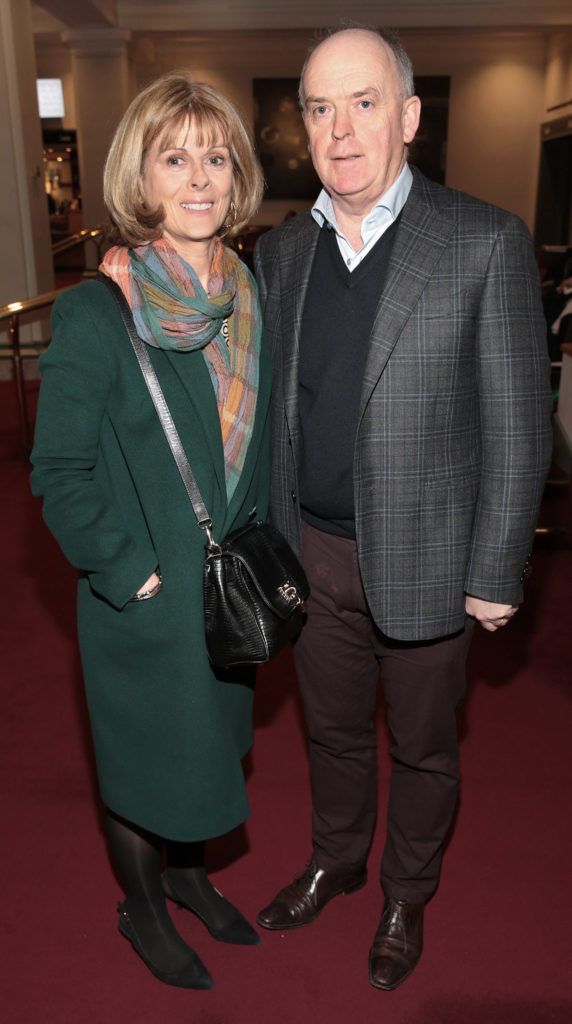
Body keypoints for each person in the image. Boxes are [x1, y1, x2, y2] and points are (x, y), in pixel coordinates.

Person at [254, 27, 553, 991]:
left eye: (365, 102)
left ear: (411, 118)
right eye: (320, 108)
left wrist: (496, 569)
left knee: (425, 746)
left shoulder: (482, 241)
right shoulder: (284, 254)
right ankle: (338, 859)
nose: (341, 131)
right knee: (331, 729)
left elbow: (519, 421)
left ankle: (405, 891)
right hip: (312, 554)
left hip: (430, 558)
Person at [31, 72, 269, 990]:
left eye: (215, 156)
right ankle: (141, 909)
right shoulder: (99, 311)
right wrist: (127, 570)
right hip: (146, 597)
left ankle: (190, 875)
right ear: (142, 174)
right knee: (144, 766)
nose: (199, 177)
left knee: (206, 745)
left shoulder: (246, 297)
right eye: (175, 157)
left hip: (222, 592)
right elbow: (57, 473)